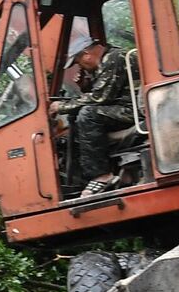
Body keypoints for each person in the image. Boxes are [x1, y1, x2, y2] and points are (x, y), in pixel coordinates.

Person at [52, 39, 135, 196]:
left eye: (78, 63)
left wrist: (61, 107)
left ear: (86, 55)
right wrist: (85, 87)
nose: (80, 67)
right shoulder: (107, 61)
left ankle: (101, 176)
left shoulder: (115, 58)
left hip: (132, 110)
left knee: (88, 115)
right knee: (81, 117)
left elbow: (100, 98)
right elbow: (106, 93)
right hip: (123, 108)